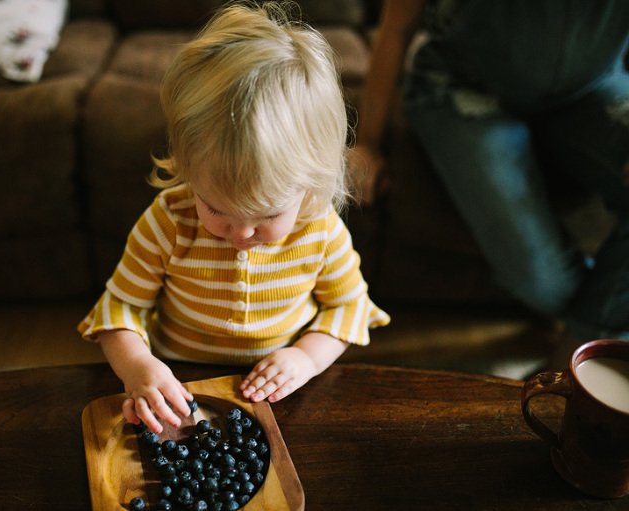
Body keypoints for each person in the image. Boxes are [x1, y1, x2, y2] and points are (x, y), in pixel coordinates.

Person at [78, 1, 390, 434]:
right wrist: (138, 368)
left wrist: (306, 358)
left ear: (312, 183)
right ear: (188, 171)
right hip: (177, 385)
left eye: (269, 214)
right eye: (215, 208)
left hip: (281, 393)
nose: (241, 232)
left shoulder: (319, 229)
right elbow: (120, 308)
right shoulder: (168, 221)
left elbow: (348, 308)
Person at [351, 0, 629, 362]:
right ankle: (595, 351)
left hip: (590, 89)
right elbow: (396, 27)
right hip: (464, 88)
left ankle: (579, 358)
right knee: (545, 283)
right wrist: (368, 144)